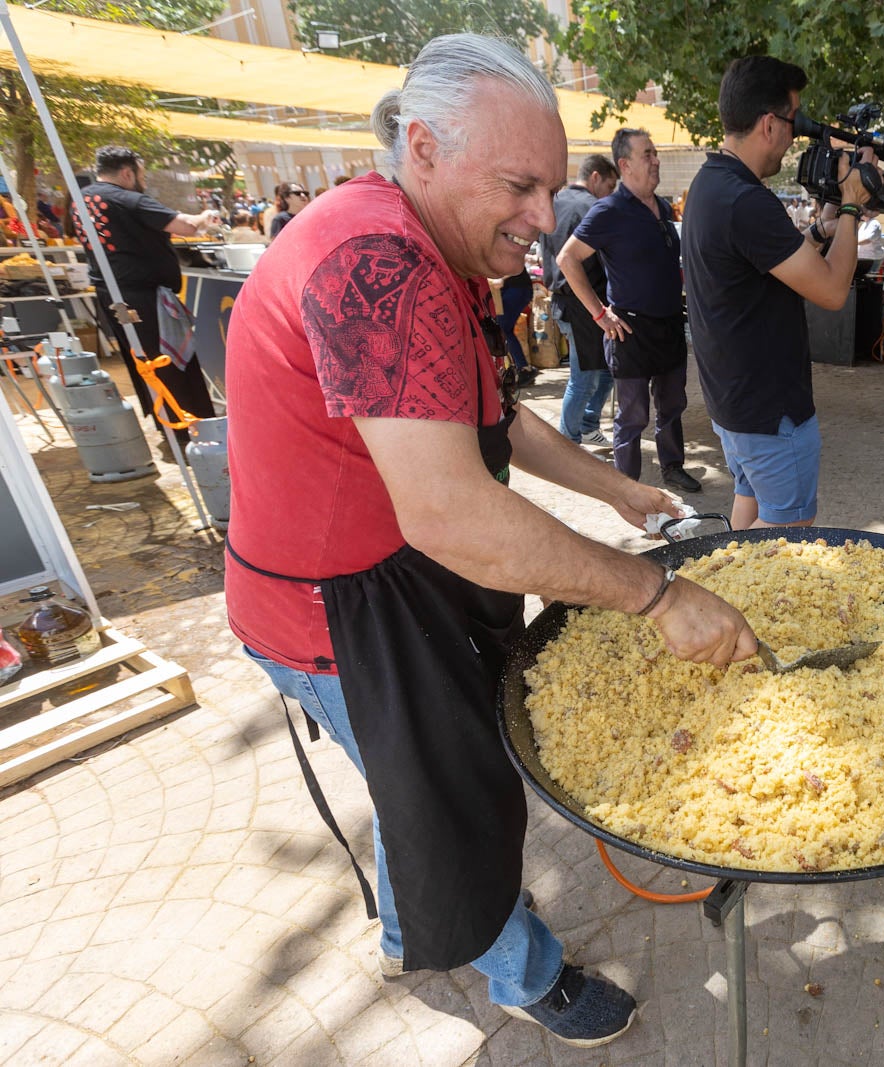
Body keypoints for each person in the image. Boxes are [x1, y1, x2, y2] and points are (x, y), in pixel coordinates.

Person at [223, 34, 756, 1049]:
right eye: (517, 185)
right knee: (451, 800)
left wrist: (620, 489)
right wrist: (657, 596)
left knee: (406, 781)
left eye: (551, 188)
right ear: (420, 147)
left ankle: (404, 922)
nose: (542, 217)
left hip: (387, 584)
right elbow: (453, 511)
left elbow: (493, 418)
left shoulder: (434, 243)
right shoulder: (374, 262)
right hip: (329, 613)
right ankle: (524, 974)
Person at [681, 55, 875, 530]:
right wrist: (851, 207)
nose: (794, 139)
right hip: (771, 413)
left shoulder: (712, 184)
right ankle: (732, 606)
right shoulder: (748, 200)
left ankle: (720, 598)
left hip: (737, 407)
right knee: (785, 547)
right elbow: (830, 291)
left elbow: (767, 267)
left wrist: (824, 228)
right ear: (769, 124)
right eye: (794, 121)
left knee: (745, 528)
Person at [559, 128, 701, 493]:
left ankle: (673, 467)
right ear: (624, 165)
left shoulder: (663, 208)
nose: (656, 160)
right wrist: (599, 313)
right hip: (630, 331)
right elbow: (567, 258)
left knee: (672, 405)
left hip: (669, 325)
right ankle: (628, 487)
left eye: (655, 153)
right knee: (632, 415)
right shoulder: (608, 210)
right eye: (648, 154)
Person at [79, 145, 220, 439]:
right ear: (128, 172)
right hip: (144, 298)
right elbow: (185, 226)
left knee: (142, 361)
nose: (142, 180)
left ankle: (166, 422)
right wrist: (205, 216)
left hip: (112, 292)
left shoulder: (83, 198)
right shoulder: (127, 199)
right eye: (141, 174)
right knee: (167, 359)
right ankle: (189, 426)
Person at [538, 153, 619, 446]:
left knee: (604, 372)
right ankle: (568, 442)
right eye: (610, 186)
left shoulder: (554, 202)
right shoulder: (593, 208)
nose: (610, 195)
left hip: (564, 301)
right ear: (595, 177)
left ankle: (585, 425)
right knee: (583, 378)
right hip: (584, 304)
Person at [856, 209, 884, 276]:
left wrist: (853, 244)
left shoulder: (874, 223)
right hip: (864, 259)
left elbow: (867, 239)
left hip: (872, 259)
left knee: (871, 277)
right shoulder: (864, 224)